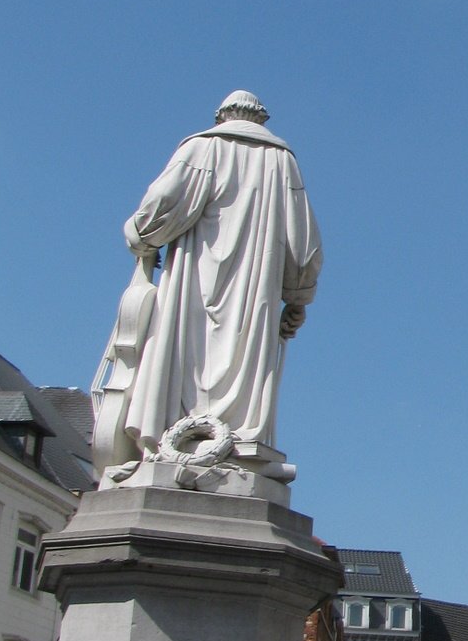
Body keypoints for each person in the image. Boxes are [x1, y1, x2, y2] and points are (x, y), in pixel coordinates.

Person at [96, 91, 322, 477]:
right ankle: (237, 445)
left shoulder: (201, 148)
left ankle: (167, 437)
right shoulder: (282, 161)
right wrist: (298, 298)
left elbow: (157, 210)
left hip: (191, 284)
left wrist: (139, 236)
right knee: (244, 359)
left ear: (221, 116)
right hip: (255, 293)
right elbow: (302, 246)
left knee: (178, 351)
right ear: (261, 120)